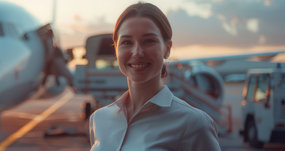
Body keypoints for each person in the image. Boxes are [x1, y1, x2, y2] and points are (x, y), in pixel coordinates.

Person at [88, 2, 221, 151]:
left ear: (167, 49)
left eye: (149, 41)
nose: (137, 52)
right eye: (126, 42)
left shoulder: (194, 124)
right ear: (116, 49)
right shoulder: (99, 119)